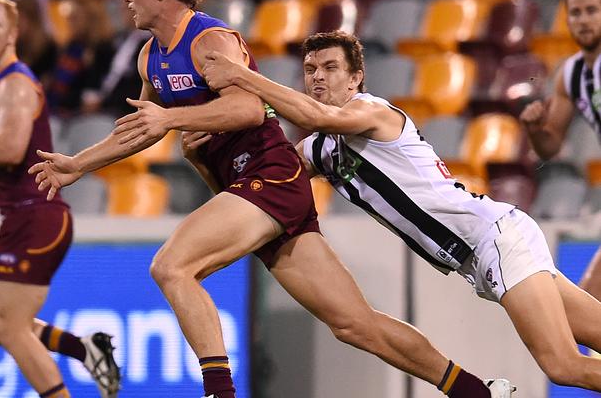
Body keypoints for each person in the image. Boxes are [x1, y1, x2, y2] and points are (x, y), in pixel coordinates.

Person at [29, 0, 514, 398]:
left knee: (172, 266)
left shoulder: (208, 39)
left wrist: (173, 119)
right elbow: (142, 126)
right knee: (355, 324)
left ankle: (219, 393)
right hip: (252, 186)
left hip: (270, 175)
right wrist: (78, 163)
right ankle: (476, 391)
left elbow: (250, 109)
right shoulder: (148, 57)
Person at [198, 28, 601, 391]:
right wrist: (204, 153)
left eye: (330, 67)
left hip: (493, 238)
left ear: (356, 77)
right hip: (483, 253)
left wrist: (243, 75)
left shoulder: (371, 110)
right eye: (309, 69)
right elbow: (260, 195)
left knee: (562, 366)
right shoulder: (319, 149)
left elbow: (320, 116)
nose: (317, 76)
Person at [0, 0, 121, 398]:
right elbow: (21, 155)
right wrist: (1, 189)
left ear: (13, 33)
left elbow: (10, 148)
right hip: (20, 214)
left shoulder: (14, 84)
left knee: (9, 326)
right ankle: (85, 348)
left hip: (38, 218)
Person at [520, 0, 601, 300]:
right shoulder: (572, 74)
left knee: (590, 302)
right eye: (575, 12)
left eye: (592, 11)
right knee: (590, 302)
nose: (582, 19)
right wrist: (535, 128)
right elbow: (550, 146)